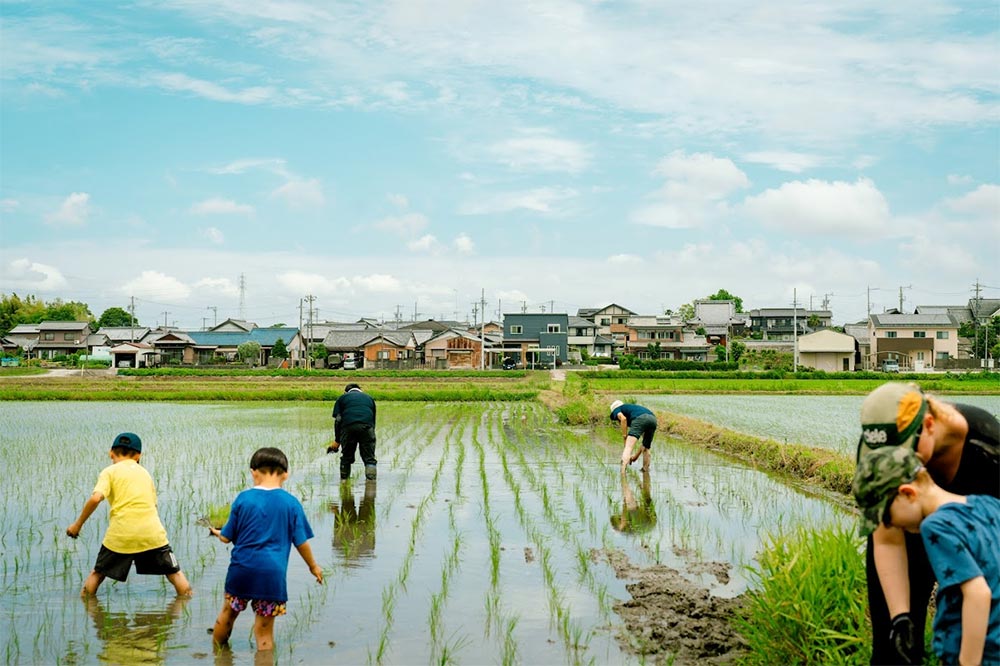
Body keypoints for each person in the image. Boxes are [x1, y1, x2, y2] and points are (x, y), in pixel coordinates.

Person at [856, 382, 999, 664]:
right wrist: (900, 617)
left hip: (977, 535)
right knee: (893, 648)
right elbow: (886, 537)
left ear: (929, 425)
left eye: (904, 452)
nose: (893, 460)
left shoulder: (988, 444)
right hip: (906, 517)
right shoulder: (878, 450)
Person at [209, 447, 323, 651]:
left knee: (228, 614)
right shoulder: (291, 504)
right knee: (264, 632)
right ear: (286, 474)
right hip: (271, 575)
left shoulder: (243, 499)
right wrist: (313, 567)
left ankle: (218, 656)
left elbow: (226, 538)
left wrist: (217, 532)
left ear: (253, 471)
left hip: (241, 570)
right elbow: (301, 543)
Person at [66, 432, 192, 598]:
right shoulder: (145, 473)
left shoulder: (109, 472)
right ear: (139, 455)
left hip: (120, 535)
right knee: (175, 574)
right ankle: (183, 614)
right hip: (152, 534)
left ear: (111, 452)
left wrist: (77, 525)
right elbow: (153, 505)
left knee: (97, 574)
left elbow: (96, 498)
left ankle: (89, 612)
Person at [328, 383, 378, 481]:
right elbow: (372, 419)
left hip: (348, 428)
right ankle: (371, 485)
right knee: (369, 458)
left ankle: (344, 482)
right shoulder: (369, 398)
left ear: (346, 391)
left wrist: (337, 440)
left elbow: (338, 420)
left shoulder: (342, 398)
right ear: (360, 390)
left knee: (346, 457)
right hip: (367, 428)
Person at [610, 400, 658, 472]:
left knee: (628, 447)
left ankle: (622, 472)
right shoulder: (631, 409)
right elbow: (643, 446)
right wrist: (635, 457)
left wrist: (625, 437)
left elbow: (623, 419)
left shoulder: (617, 409)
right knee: (646, 448)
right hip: (653, 419)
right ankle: (645, 470)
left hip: (640, 418)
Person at [610, 468, 657, 533]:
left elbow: (626, 502)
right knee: (633, 500)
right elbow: (626, 501)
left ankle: (642, 481)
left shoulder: (627, 527)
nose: (620, 514)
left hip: (650, 522)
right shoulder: (627, 524)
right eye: (619, 517)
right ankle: (643, 477)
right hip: (650, 522)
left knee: (642, 497)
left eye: (619, 516)